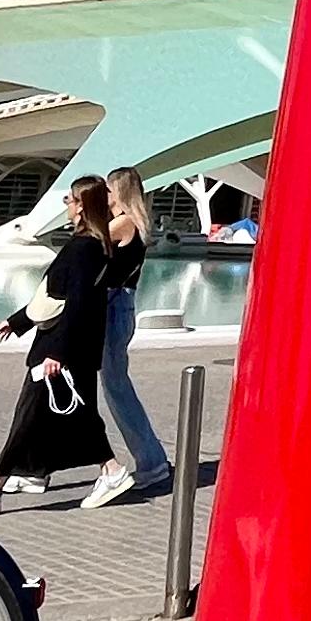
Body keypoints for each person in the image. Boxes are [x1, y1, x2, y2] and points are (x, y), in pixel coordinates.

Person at [0, 178, 117, 493]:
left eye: (69, 198)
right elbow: (54, 297)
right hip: (69, 345)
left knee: (30, 413)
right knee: (75, 414)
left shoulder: (86, 247)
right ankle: (38, 471)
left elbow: (78, 303)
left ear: (82, 205)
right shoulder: (89, 244)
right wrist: (17, 321)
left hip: (62, 346)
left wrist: (58, 353)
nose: (66, 204)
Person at [79, 165, 176, 508]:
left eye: (107, 190)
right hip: (120, 306)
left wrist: (81, 209)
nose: (103, 196)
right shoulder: (134, 222)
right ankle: (152, 462)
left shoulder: (123, 223)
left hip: (114, 306)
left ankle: (152, 464)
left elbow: (87, 243)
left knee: (117, 389)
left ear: (118, 191)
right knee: (115, 386)